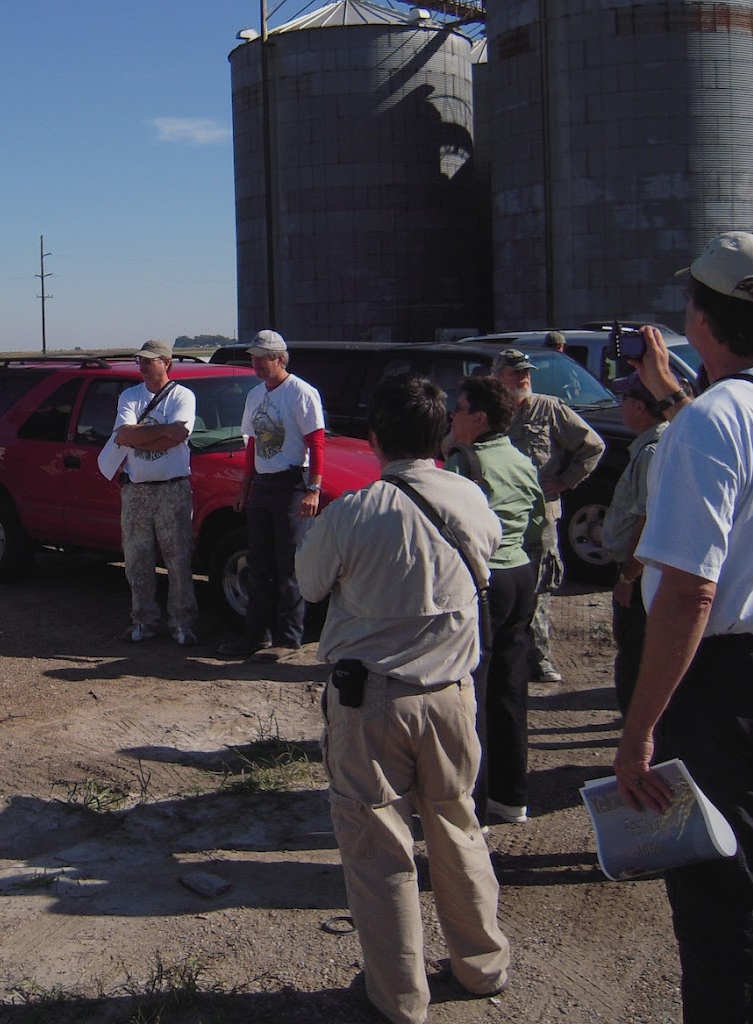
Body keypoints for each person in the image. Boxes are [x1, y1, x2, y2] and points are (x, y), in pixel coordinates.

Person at [614, 231, 753, 1023]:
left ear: (702, 319)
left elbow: (688, 594)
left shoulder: (707, 424)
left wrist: (639, 729)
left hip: (721, 686)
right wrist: (676, 395)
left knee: (724, 895)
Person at [299, 374, 509, 1023]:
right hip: (451, 695)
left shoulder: (353, 513)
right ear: (440, 433)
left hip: (372, 703)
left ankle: (399, 996)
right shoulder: (470, 497)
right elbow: (491, 553)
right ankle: (482, 965)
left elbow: (309, 585)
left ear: (374, 438)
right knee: (458, 828)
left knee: (378, 847)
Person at [444, 375, 545, 825]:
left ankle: (477, 802)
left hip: (486, 580)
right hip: (521, 573)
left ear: (479, 418)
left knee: (475, 692)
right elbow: (538, 519)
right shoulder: (521, 459)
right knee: (510, 688)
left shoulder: (464, 463)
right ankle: (511, 795)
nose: (452, 415)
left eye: (460, 408)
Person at [490, 348, 603, 683]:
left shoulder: (549, 408)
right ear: (497, 376)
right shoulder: (489, 412)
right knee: (497, 587)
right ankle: (499, 657)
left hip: (540, 518)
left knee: (538, 588)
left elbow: (592, 446)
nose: (524, 377)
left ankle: (538, 658)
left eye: (526, 372)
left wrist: (566, 480)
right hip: (499, 517)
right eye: (516, 372)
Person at [220, 329, 325, 662]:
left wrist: (313, 489)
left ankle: (289, 637)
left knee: (288, 564)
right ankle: (255, 634)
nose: (256, 364)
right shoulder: (254, 395)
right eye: (253, 358)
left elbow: (317, 443)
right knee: (259, 562)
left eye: (262, 358)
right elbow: (252, 442)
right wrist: (245, 486)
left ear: (280, 359)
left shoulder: (301, 393)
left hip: (291, 484)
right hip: (263, 485)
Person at [108, 339, 198, 646]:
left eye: (150, 360)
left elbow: (179, 435)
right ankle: (143, 621)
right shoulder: (130, 396)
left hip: (173, 489)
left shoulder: (183, 395)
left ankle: (182, 623)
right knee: (136, 558)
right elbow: (123, 435)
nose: (144, 366)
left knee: (178, 558)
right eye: (141, 361)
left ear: (166, 363)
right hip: (136, 490)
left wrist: (141, 437)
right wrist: (162, 431)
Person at [600, 371, 669, 716]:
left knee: (635, 653)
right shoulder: (651, 445)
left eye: (625, 399)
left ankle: (637, 726)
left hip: (642, 575)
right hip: (645, 571)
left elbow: (648, 521)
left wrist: (629, 576)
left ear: (640, 406)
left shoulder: (652, 452)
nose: (621, 405)